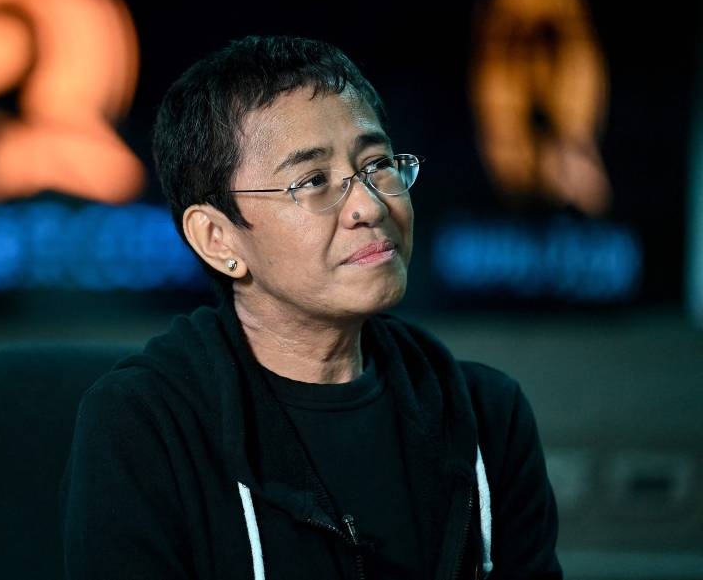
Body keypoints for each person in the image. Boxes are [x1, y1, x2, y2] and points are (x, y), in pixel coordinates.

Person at [60, 35, 561, 579]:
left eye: (378, 164)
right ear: (217, 239)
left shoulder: (487, 416)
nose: (370, 205)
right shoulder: (144, 426)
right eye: (314, 181)